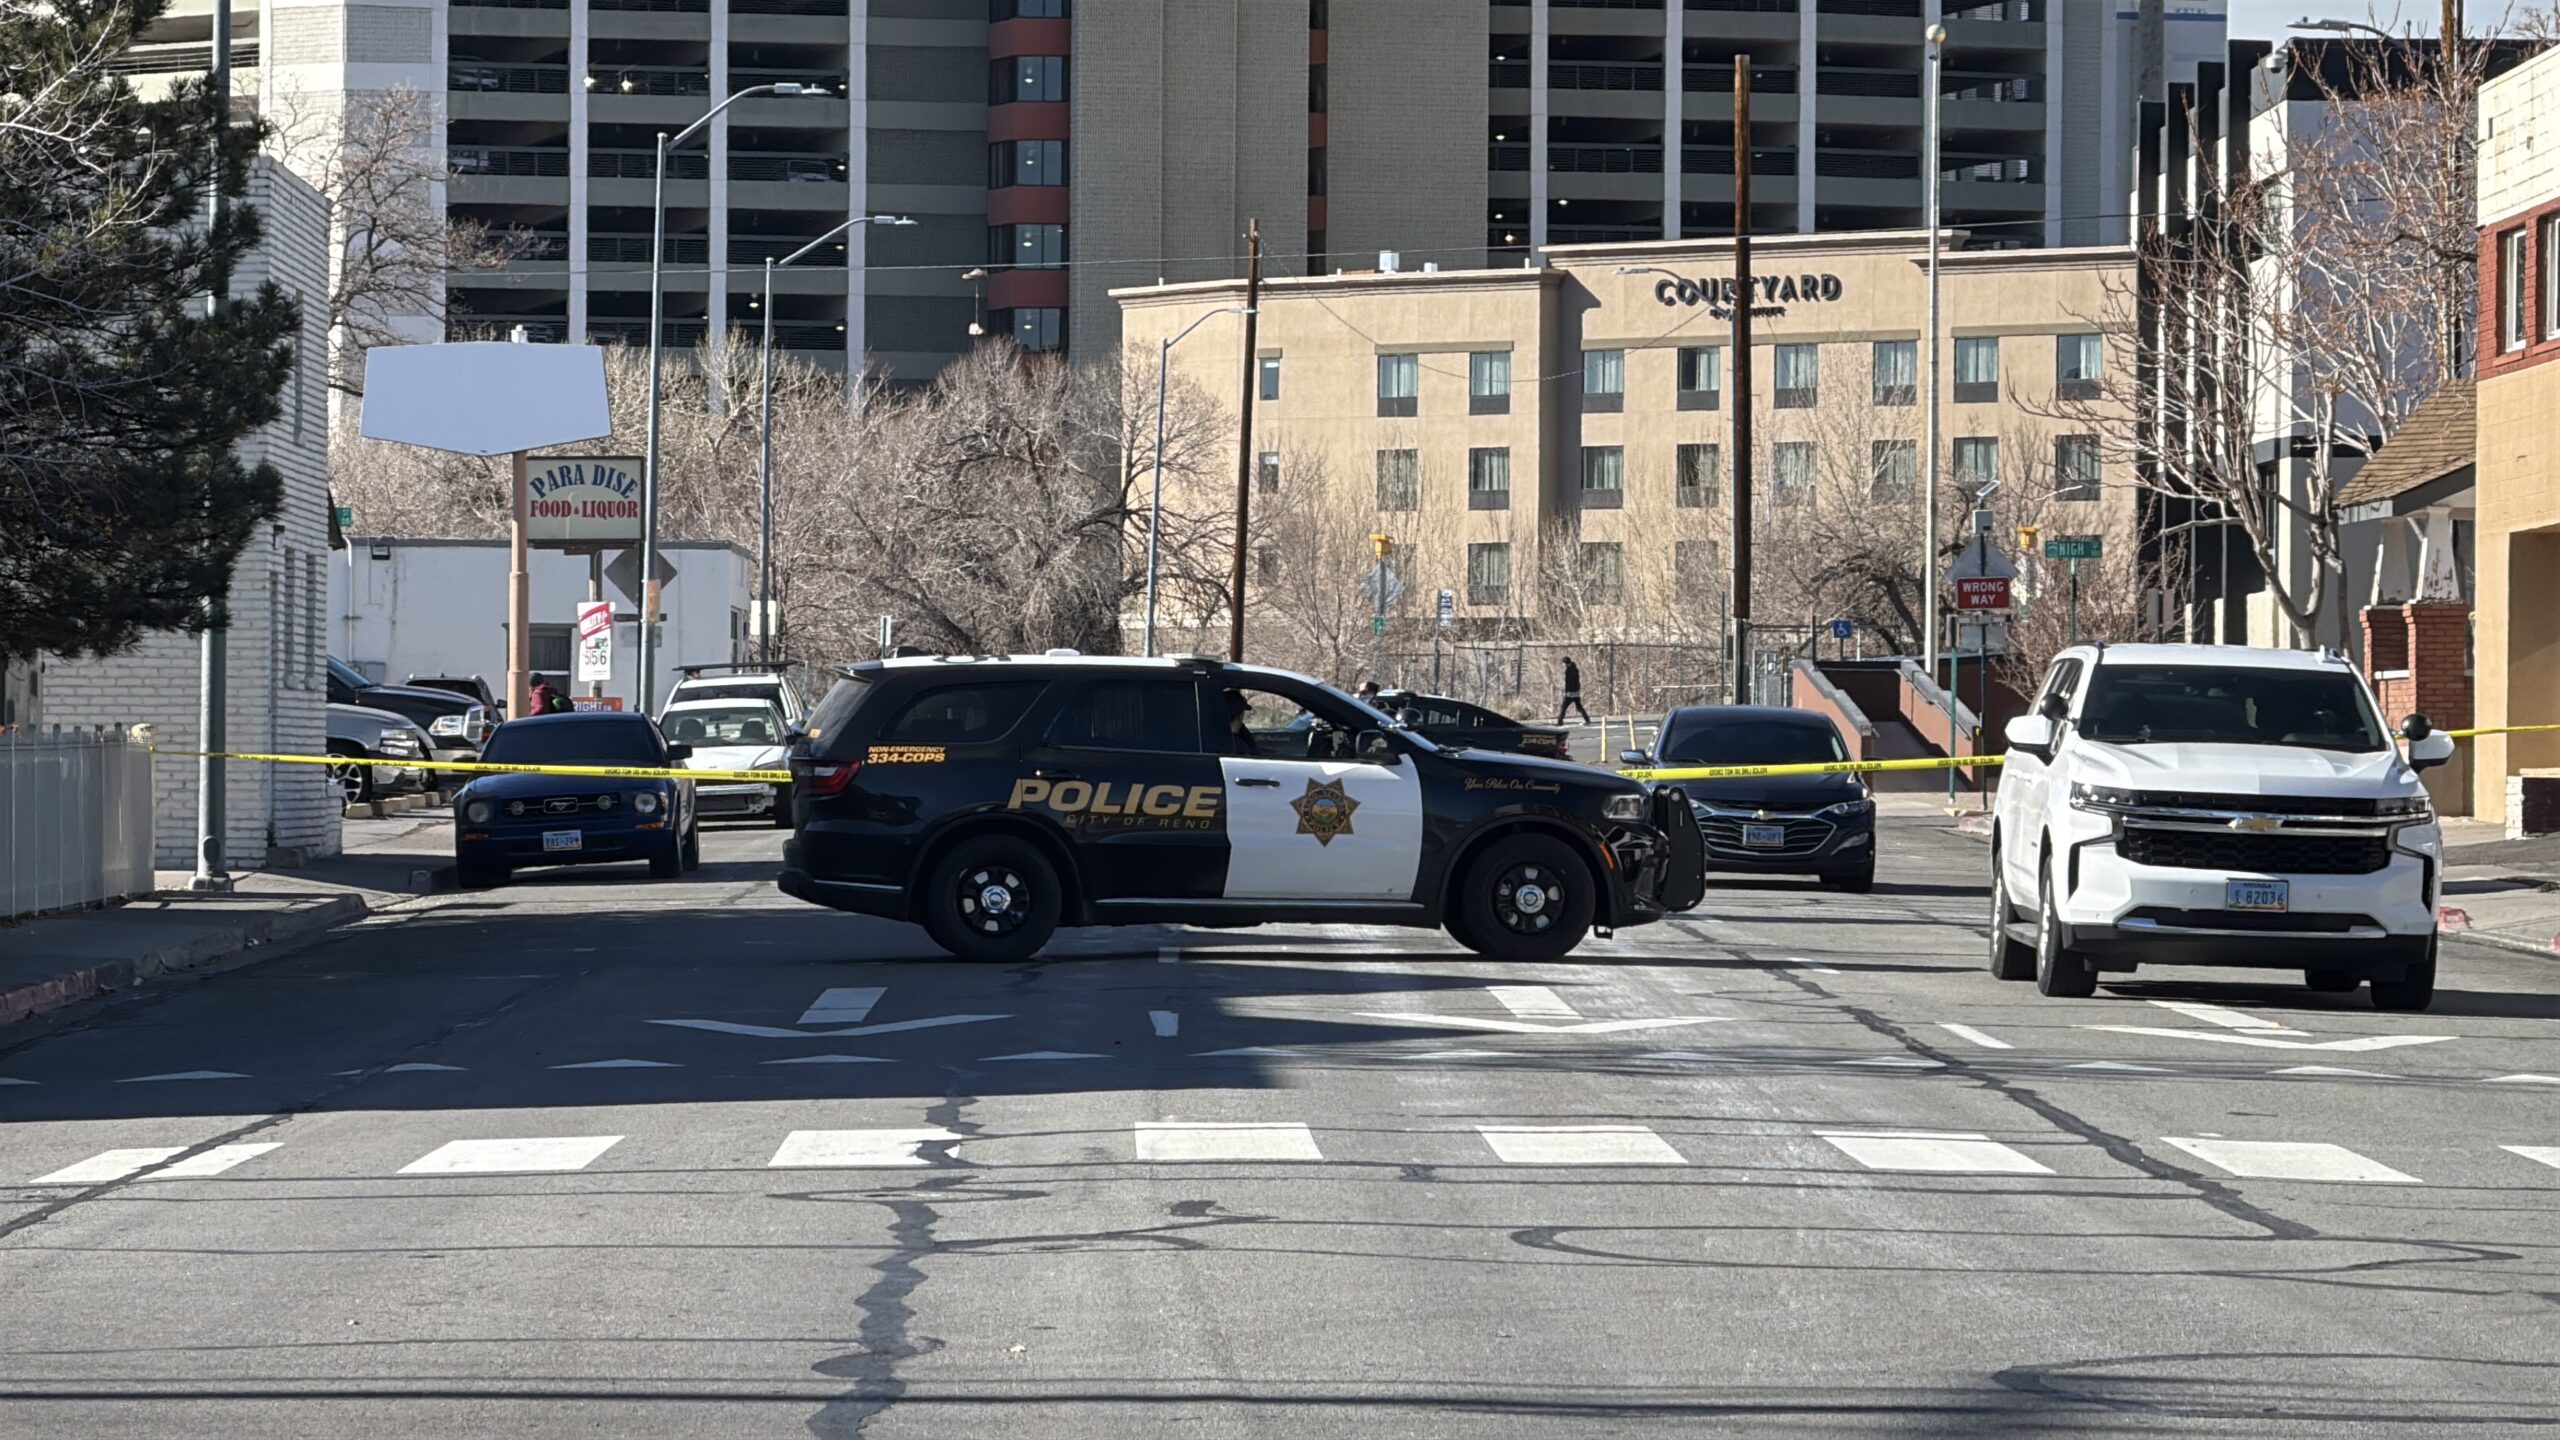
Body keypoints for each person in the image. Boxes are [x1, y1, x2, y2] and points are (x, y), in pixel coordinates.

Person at [1556, 656, 1591, 726]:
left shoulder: (1568, 670)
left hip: (1570, 693)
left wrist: (1567, 691)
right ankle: (1587, 719)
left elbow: (1568, 682)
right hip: (1576, 692)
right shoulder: (1575, 669)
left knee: (1564, 707)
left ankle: (1560, 722)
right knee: (1579, 707)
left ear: (1566, 663)